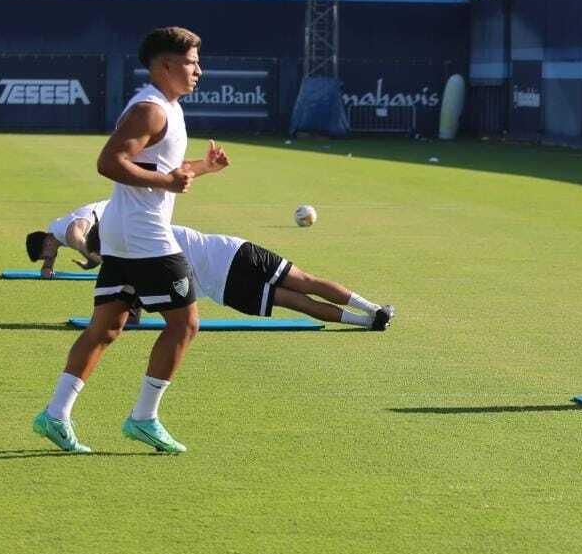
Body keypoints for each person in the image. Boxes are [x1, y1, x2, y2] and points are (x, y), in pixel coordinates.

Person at [32, 26, 228, 455]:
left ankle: (55, 414)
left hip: (124, 232)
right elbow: (109, 162)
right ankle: (144, 418)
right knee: (185, 324)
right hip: (145, 236)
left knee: (106, 328)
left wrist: (202, 168)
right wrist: (169, 180)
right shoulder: (151, 110)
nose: (200, 70)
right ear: (166, 65)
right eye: (193, 62)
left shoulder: (167, 107)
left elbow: (160, 170)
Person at [96, 221, 394, 328]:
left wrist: (131, 303)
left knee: (298, 301)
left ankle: (368, 322)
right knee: (307, 283)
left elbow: (130, 317)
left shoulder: (134, 273)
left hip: (225, 290)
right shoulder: (147, 231)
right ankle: (374, 311)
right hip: (233, 253)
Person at [25, 199, 108, 277]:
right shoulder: (52, 235)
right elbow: (93, 255)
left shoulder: (72, 236)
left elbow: (98, 257)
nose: (48, 259)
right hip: (106, 218)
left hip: (113, 213)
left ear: (47, 244)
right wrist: (46, 269)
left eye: (45, 257)